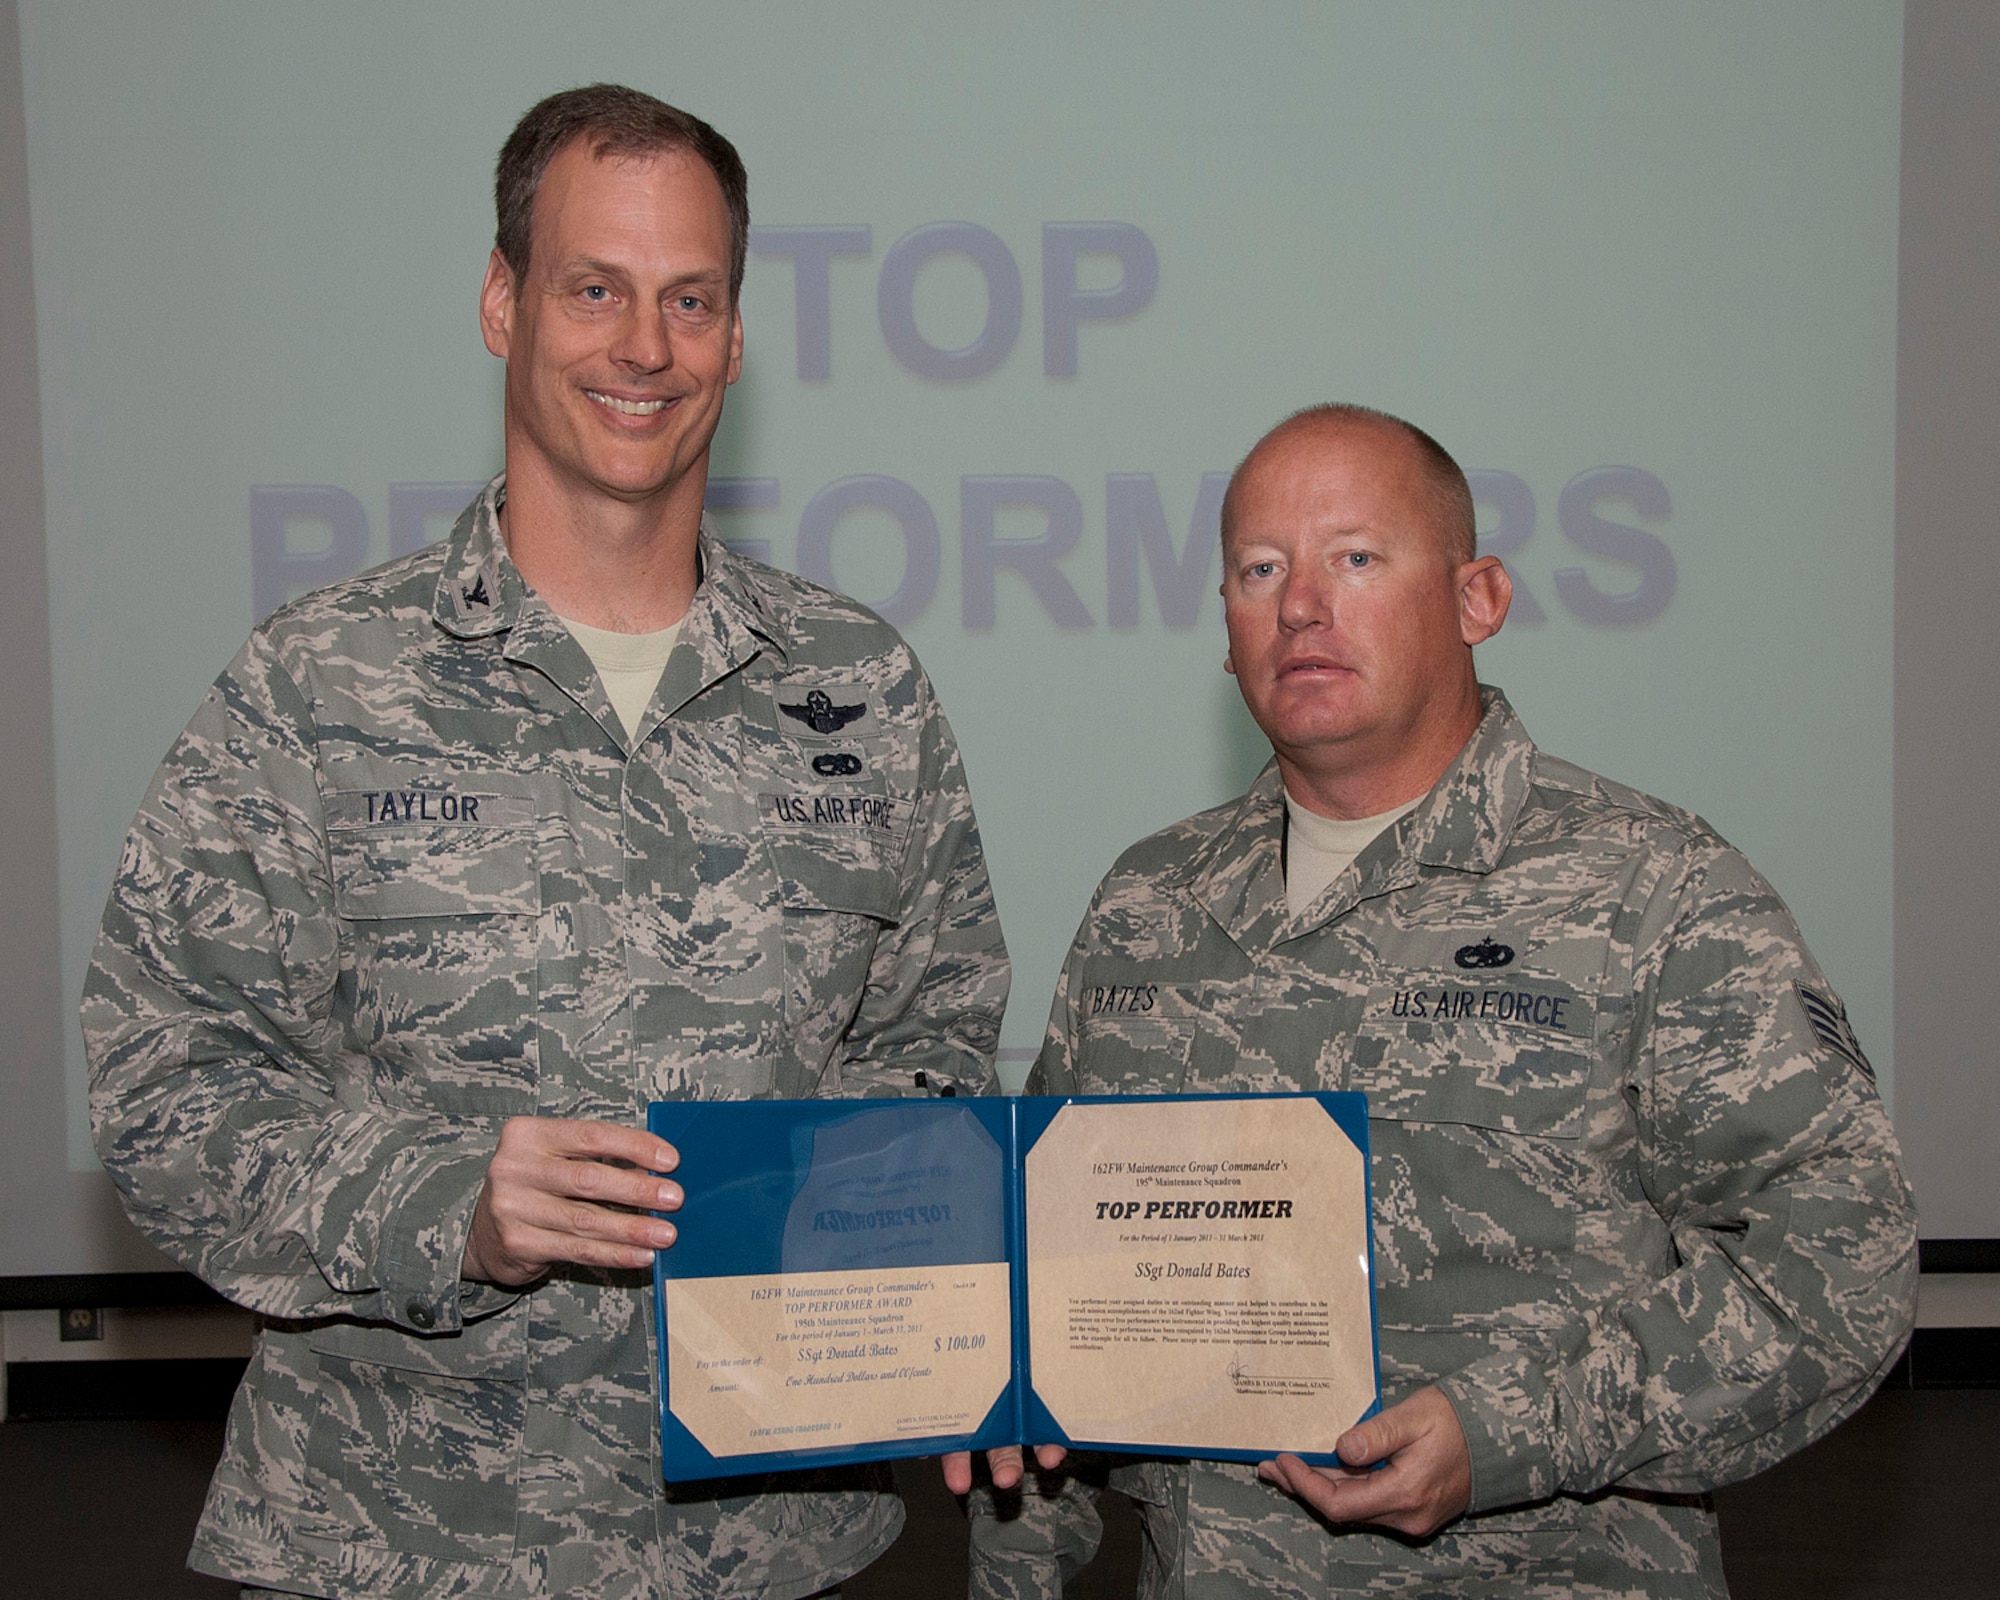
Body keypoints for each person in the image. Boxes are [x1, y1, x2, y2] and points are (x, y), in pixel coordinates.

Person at [83, 85, 1009, 1600]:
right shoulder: (318, 683)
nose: (645, 346)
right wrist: (449, 1205)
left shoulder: (864, 686)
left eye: (690, 300)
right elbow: (165, 1085)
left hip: (774, 1547)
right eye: (596, 289)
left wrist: (843, 1195)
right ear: (505, 303)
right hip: (393, 1545)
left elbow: (941, 1041)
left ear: (732, 330)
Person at [965, 404, 1917, 1599]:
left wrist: (1518, 1428)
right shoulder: (1147, 903)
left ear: (1478, 599)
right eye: (1258, 570)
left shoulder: (1652, 887)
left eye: (1354, 558)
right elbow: (1048, 1296)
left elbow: (1841, 1257)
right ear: (1223, 629)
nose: (1298, 603)